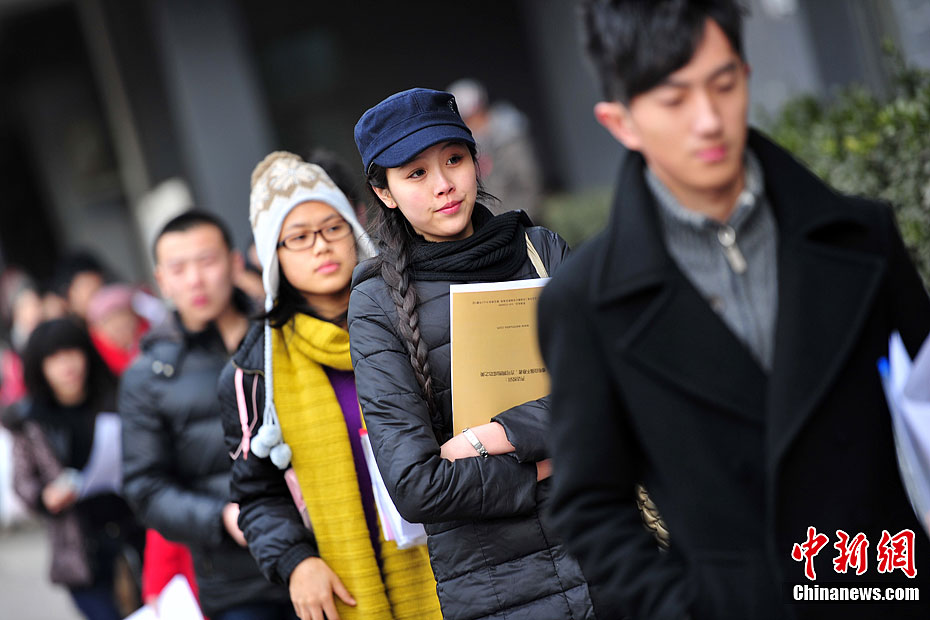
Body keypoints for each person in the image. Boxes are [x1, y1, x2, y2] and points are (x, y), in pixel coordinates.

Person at [537, 2, 930, 619]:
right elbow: (592, 506)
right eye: (674, 99)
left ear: (746, 75)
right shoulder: (585, 301)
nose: (709, 120)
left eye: (724, 85)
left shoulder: (863, 239)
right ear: (621, 122)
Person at [348, 87, 596, 620]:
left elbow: (613, 391)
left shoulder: (542, 250)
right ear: (384, 192)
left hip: (611, 549)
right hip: (500, 587)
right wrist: (550, 462)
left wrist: (496, 436)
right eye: (415, 174)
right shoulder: (375, 304)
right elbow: (417, 486)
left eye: (454, 160)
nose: (444, 185)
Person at [217, 152, 440, 620]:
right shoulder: (257, 370)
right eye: (298, 237)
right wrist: (295, 562)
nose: (321, 246)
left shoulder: (414, 315)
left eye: (332, 227)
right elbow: (257, 495)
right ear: (271, 256)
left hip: (457, 559)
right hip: (348, 589)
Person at [119, 210, 293, 619]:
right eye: (178, 268)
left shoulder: (283, 332)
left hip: (326, 548)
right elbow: (146, 488)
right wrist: (220, 517)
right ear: (161, 279)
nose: (195, 280)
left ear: (234, 263)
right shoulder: (147, 376)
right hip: (237, 583)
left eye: (207, 261)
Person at [11, 318, 143, 620]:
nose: (66, 366)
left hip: (133, 528)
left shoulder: (117, 398)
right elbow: (23, 482)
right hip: (80, 547)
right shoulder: (31, 419)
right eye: (54, 359)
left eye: (72, 353)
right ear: (40, 366)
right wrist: (46, 497)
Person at [447, 78, 543, 221]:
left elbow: (528, 181)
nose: (469, 124)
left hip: (520, 219)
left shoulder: (509, 137)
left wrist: (519, 219)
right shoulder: (465, 145)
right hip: (491, 225)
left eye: (470, 117)